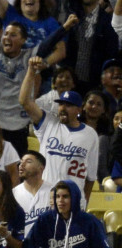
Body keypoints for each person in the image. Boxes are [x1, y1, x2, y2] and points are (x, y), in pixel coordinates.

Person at [0, 0, 74, 156]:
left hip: (16, 127)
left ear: (23, 40)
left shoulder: (28, 57)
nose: (7, 37)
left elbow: (47, 44)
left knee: (14, 172)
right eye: (6, 33)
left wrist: (65, 27)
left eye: (13, 35)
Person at [19, 57, 98, 209]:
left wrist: (84, 203)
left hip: (74, 202)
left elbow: (91, 178)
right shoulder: (48, 123)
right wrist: (31, 71)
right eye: (61, 104)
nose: (62, 108)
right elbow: (24, 101)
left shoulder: (90, 134)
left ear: (79, 110)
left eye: (68, 105)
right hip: (46, 200)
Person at [18, 180, 111, 248]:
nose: (60, 201)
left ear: (74, 198)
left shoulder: (90, 222)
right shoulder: (45, 221)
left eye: (65, 196)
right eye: (57, 196)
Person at [12, 150, 52, 248]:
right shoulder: (13, 194)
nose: (21, 165)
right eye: (21, 162)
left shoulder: (54, 191)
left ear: (41, 168)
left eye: (28, 162)